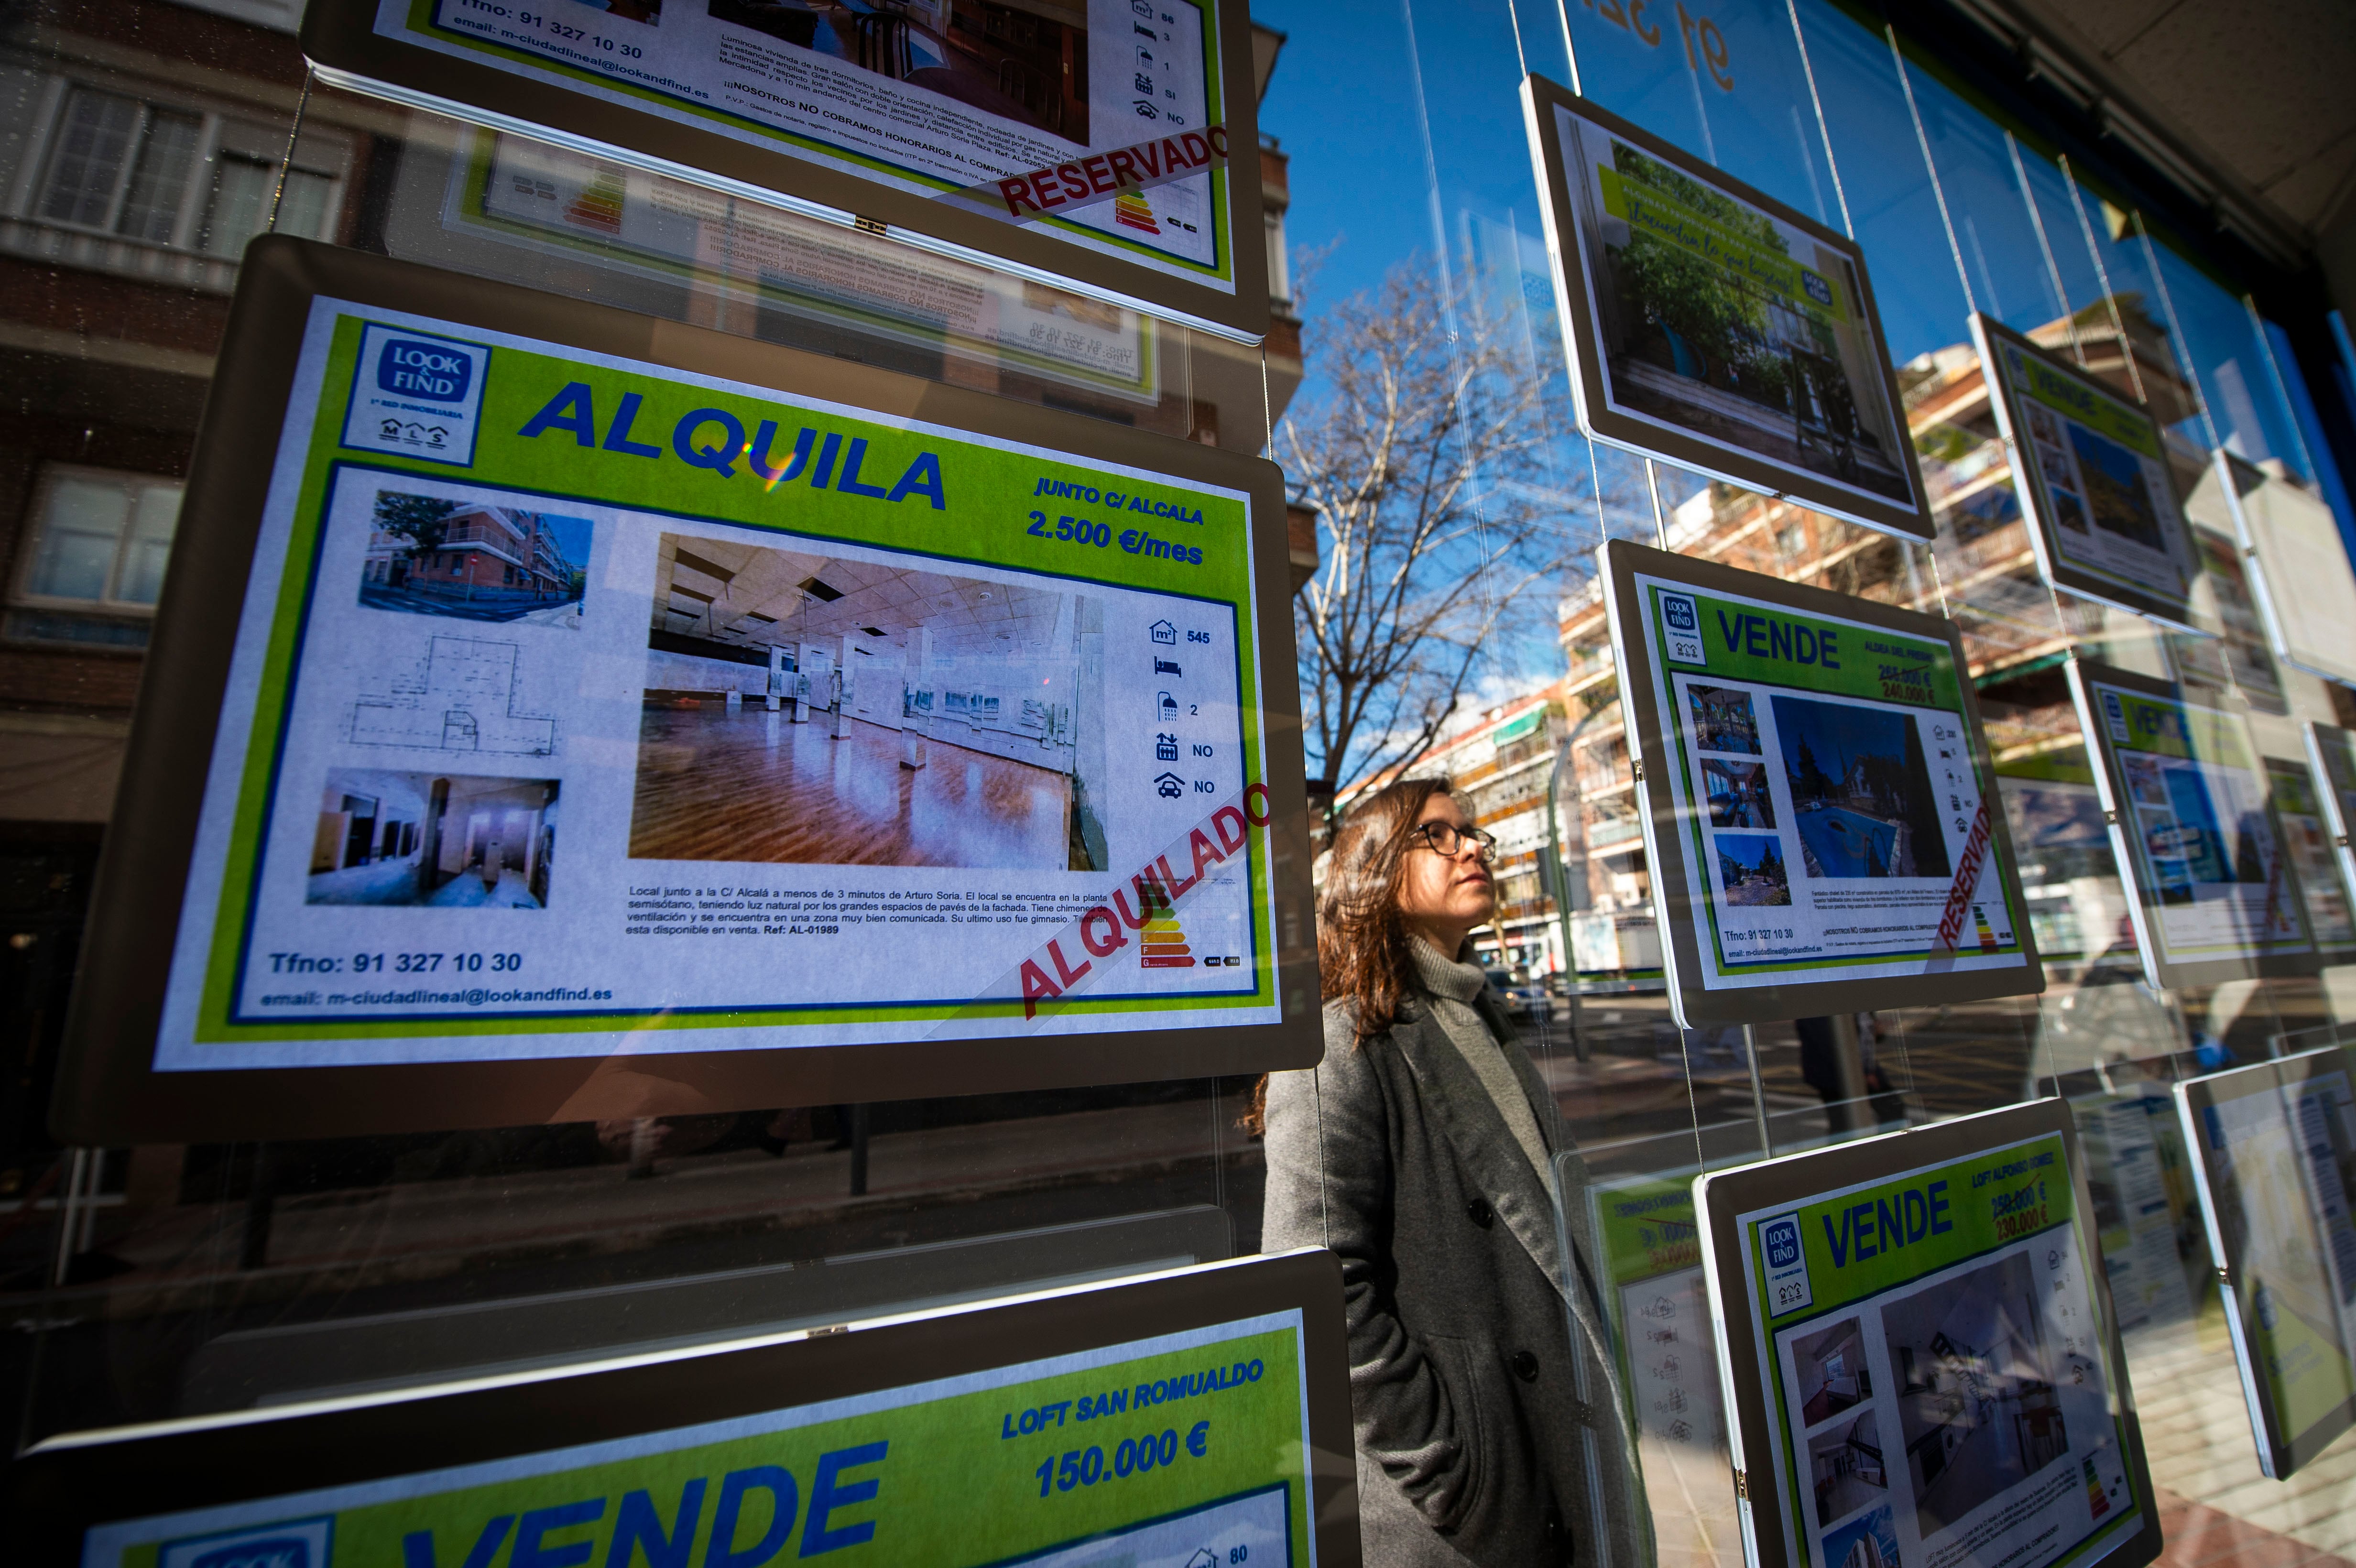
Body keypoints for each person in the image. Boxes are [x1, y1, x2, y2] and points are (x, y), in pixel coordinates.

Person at [1257, 777, 1645, 1568]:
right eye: (1438, 834)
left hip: (1555, 1457)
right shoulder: (1340, 1044)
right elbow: (1319, 1289)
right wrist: (1457, 1476)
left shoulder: (1481, 1016)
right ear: (1373, 867)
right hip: (1470, 1518)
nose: (1472, 846)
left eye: (1474, 834)